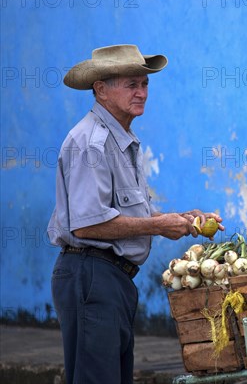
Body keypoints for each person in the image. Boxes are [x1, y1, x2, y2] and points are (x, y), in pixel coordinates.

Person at [47, 44, 224, 384]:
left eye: (144, 84)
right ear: (101, 89)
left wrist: (180, 221)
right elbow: (87, 225)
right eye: (131, 84)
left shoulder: (121, 138)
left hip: (112, 280)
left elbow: (121, 212)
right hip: (90, 275)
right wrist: (157, 225)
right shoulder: (91, 142)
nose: (142, 93)